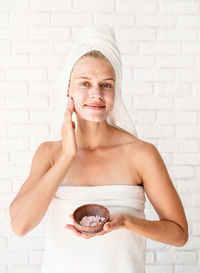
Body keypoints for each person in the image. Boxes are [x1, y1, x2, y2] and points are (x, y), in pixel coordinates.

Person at [9, 25, 188, 273]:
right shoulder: (49, 154)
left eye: (106, 85)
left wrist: (126, 221)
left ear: (116, 91)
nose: (96, 94)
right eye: (84, 83)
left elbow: (178, 234)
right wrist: (67, 156)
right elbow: (20, 225)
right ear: (67, 90)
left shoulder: (141, 154)